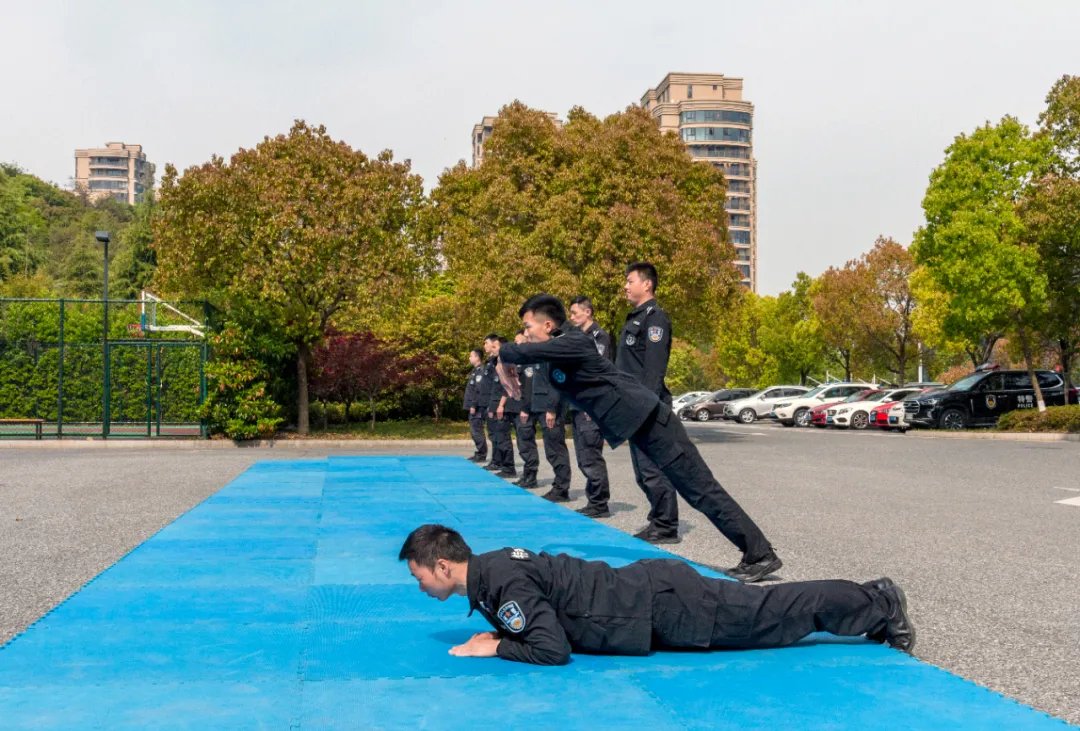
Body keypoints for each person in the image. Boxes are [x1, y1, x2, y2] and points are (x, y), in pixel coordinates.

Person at [497, 293, 781, 583]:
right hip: (639, 427)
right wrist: (506, 361)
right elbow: (528, 357)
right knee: (689, 489)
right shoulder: (555, 354)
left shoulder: (574, 341)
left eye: (528, 327)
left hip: (653, 422)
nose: (524, 335)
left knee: (701, 490)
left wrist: (503, 356)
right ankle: (753, 551)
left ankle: (760, 554)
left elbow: (521, 353)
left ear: (547, 325)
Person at [399, 524, 914, 666]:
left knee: (775, 615)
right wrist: (507, 629)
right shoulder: (491, 572)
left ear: (443, 565)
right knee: (772, 615)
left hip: (667, 605)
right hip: (654, 598)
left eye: (421, 575)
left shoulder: (501, 582)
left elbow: (551, 648)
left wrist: (499, 645)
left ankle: (879, 602)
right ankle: (872, 602)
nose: (421, 585)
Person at [615, 262, 682, 544]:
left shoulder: (655, 319)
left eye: (630, 281)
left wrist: (644, 408)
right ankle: (657, 519)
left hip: (645, 408)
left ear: (647, 284)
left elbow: (653, 372)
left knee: (653, 470)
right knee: (643, 473)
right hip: (632, 406)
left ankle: (666, 526)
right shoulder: (635, 318)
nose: (626, 286)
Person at [566, 295, 613, 518]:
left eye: (575, 313)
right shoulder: (578, 338)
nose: (572, 317)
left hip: (591, 405)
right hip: (577, 404)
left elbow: (595, 370)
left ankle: (599, 503)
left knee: (591, 456)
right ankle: (593, 500)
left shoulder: (599, 336)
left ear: (588, 312)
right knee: (583, 456)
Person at [513, 332, 573, 500]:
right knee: (550, 450)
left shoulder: (553, 351)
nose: (528, 336)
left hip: (550, 409)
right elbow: (531, 385)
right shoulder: (539, 353)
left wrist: (552, 409)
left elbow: (557, 381)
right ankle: (559, 486)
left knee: (556, 449)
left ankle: (562, 489)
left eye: (530, 332)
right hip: (539, 406)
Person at [483, 334, 515, 478]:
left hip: (503, 406)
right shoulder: (495, 362)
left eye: (494, 346)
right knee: (497, 437)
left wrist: (500, 405)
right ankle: (501, 463)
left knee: (503, 438)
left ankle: (508, 467)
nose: (487, 347)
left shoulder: (506, 363)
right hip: (494, 405)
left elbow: (506, 387)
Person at [464, 348, 487, 463]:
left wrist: (473, 405)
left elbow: (479, 390)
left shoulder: (480, 371)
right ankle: (480, 452)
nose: (469, 358)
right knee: (474, 430)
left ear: (477, 357)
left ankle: (482, 454)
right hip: (473, 406)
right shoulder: (474, 371)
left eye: (471, 356)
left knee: (476, 430)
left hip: (477, 407)